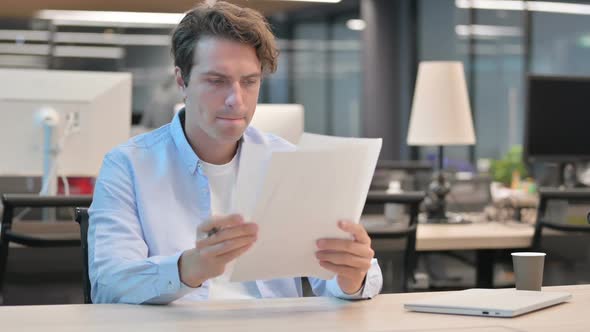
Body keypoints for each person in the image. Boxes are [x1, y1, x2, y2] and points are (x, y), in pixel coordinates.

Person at [88, 1, 382, 304]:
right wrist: (191, 267)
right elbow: (109, 286)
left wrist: (351, 277)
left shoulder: (289, 162)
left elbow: (356, 280)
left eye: (249, 82)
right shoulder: (128, 165)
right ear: (182, 81)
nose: (236, 101)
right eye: (217, 81)